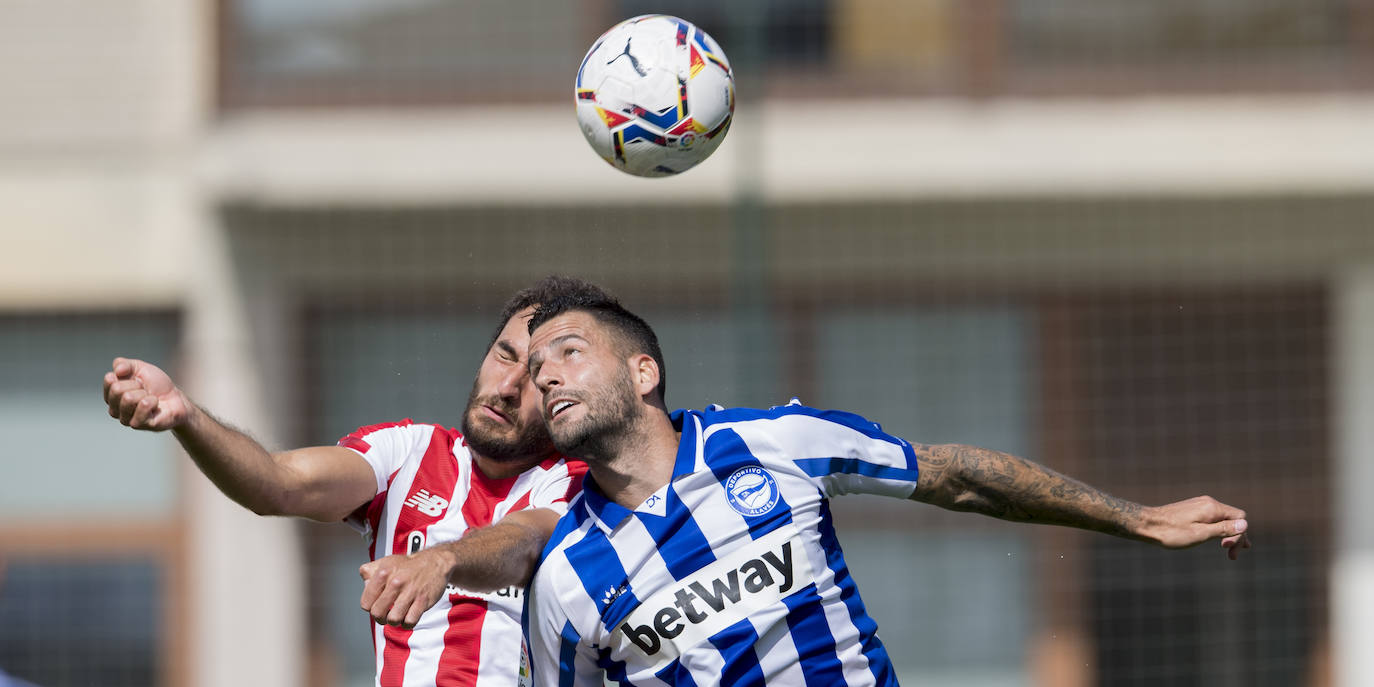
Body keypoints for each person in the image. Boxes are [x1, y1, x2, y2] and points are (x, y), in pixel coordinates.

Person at [521, 284, 1252, 686]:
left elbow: (958, 478)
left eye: (569, 351)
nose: (546, 373)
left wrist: (1142, 518)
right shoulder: (564, 579)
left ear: (643, 371)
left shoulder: (775, 443)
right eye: (535, 368)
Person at [102, 277, 592, 687]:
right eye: (504, 357)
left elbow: (527, 541)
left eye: (534, 375)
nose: (507, 388)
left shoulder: (578, 485)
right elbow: (279, 483)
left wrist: (443, 560)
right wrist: (188, 416)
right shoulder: (410, 452)